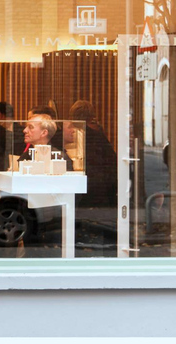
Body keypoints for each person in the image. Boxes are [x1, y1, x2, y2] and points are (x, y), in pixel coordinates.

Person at [68, 100, 118, 256]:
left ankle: (86, 251)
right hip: (102, 183)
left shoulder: (78, 134)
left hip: (88, 183)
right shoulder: (98, 132)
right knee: (102, 222)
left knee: (85, 221)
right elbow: (110, 159)